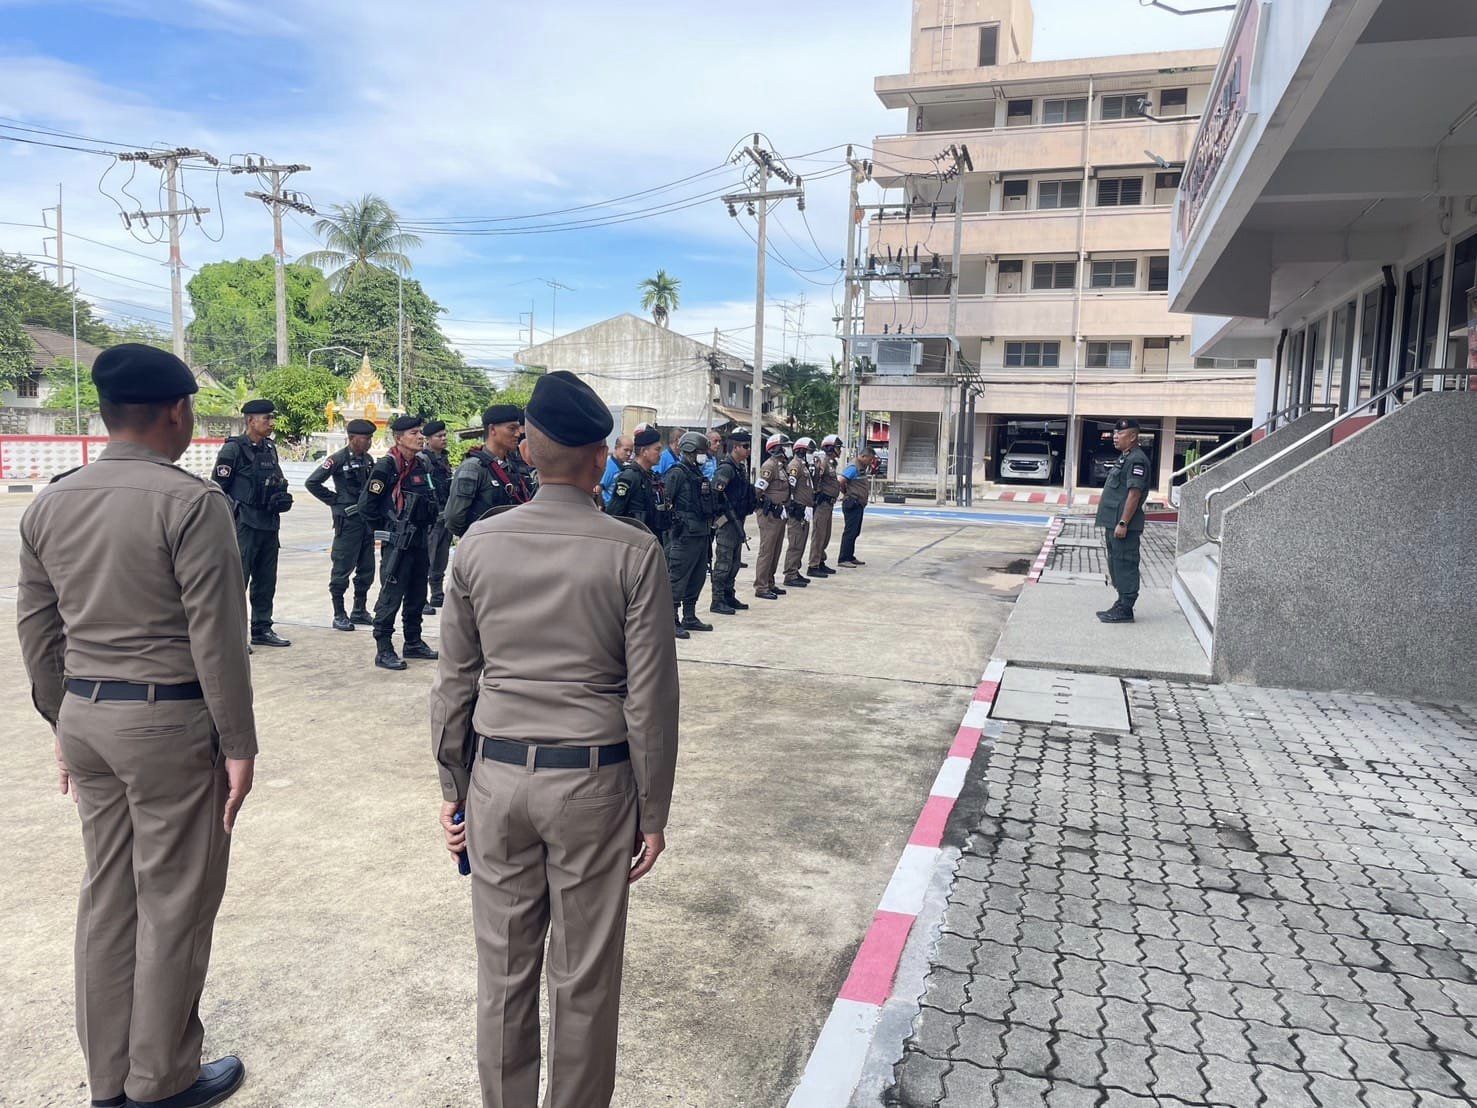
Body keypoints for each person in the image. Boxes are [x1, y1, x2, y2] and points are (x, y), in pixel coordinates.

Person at [432, 369, 679, 1108]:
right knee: (584, 978)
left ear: (528, 449)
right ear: (600, 456)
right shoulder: (632, 551)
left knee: (504, 973)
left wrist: (454, 790)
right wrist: (653, 812)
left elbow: (454, 682)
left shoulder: (478, 544)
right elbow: (649, 699)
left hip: (497, 779)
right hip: (592, 782)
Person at [18, 344, 256, 1108]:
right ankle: (161, 1079)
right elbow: (217, 638)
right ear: (177, 412)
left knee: (107, 898)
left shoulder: (51, 502)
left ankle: (109, 1079)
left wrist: (62, 718)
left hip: (87, 716)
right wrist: (238, 744)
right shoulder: (190, 503)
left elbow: (37, 629)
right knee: (173, 901)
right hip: (166, 722)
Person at [358, 414, 441, 670]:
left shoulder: (421, 464)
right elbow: (366, 506)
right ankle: (383, 648)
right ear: (398, 438)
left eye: (420, 432)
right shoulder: (387, 466)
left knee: (418, 593)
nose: (420, 437)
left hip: (419, 539)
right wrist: (388, 530)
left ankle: (413, 641)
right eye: (414, 433)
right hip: (398, 542)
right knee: (391, 595)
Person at [213, 398, 293, 647]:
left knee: (266, 580)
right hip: (244, 524)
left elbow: (275, 478)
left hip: (268, 523)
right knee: (238, 581)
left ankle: (262, 629)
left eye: (271, 418)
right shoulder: (233, 449)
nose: (271, 422)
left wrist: (280, 496)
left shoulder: (269, 448)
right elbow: (217, 489)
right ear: (250, 420)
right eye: (266, 418)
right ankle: (233, 635)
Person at [304, 418, 378, 631]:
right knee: (342, 568)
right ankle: (339, 614)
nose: (368, 442)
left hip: (365, 522)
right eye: (365, 438)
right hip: (348, 522)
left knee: (367, 569)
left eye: (370, 438)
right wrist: (335, 501)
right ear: (352, 438)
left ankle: (359, 610)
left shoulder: (368, 460)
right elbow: (312, 482)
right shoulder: (337, 459)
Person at [1095, 418, 1152, 624]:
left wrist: (1123, 523)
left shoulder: (1137, 460)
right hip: (1114, 522)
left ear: (1133, 436)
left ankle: (1126, 607)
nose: (1115, 437)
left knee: (1125, 562)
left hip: (1123, 524)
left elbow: (1134, 494)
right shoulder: (1126, 457)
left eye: (1120, 434)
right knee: (1116, 562)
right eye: (1114, 433)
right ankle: (1121, 602)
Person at [444, 405, 531, 538]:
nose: (518, 434)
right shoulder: (474, 468)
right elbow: (454, 519)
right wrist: (476, 539)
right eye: (512, 428)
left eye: (518, 428)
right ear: (492, 430)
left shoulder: (512, 466)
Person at [662, 430, 717, 638]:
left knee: (698, 576)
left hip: (701, 533)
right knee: (677, 578)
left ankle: (690, 615)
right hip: (684, 535)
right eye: (701, 452)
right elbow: (666, 502)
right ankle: (671, 619)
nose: (704, 456)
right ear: (690, 450)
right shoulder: (677, 473)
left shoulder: (697, 473)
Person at [709, 429, 754, 615]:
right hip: (726, 521)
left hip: (737, 520)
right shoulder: (726, 468)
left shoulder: (739, 468)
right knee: (724, 562)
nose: (748, 450)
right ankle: (717, 599)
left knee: (734, 562)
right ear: (735, 447)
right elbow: (715, 492)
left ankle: (729, 595)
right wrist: (721, 513)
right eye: (745, 446)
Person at [606, 423, 667, 537]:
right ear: (644, 451)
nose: (660, 454)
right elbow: (614, 513)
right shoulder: (629, 477)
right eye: (657, 449)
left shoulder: (650, 476)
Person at [420, 419, 455, 609]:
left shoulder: (444, 459)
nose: (444, 439)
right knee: (428, 557)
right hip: (431, 517)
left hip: (445, 513)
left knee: (441, 556)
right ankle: (421, 597)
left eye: (444, 435)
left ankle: (437, 593)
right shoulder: (423, 459)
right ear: (428, 439)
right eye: (439, 436)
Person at [752, 433, 792, 600]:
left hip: (779, 514)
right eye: (786, 446)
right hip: (769, 515)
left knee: (775, 550)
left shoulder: (781, 466)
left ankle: (769, 581)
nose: (789, 449)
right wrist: (767, 506)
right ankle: (761, 586)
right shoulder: (769, 466)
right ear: (776, 449)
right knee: (767, 550)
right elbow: (758, 491)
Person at [782, 436, 817, 589]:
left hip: (805, 510)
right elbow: (790, 488)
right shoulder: (795, 465)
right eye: (809, 451)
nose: (811, 454)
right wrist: (794, 506)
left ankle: (795, 570)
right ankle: (790, 574)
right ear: (801, 451)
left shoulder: (804, 465)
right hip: (797, 511)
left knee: (801, 542)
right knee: (795, 543)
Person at [807, 434, 843, 578]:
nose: (840, 450)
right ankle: (813, 565)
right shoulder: (822, 462)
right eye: (838, 448)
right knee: (819, 535)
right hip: (822, 504)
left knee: (825, 535)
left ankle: (820, 561)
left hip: (829, 504)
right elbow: (816, 480)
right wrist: (818, 494)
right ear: (830, 448)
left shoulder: (831, 463)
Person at [838, 449, 877, 568]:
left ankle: (850, 556)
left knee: (855, 531)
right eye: (870, 459)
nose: (871, 462)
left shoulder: (861, 467)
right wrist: (846, 492)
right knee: (850, 531)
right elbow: (841, 481)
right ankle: (843, 558)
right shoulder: (853, 467)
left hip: (858, 503)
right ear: (864, 456)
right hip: (852, 503)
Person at [600, 434, 634, 506]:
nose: (629, 454)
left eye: (631, 451)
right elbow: (600, 489)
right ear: (616, 448)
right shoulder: (609, 467)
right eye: (626, 450)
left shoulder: (623, 466)